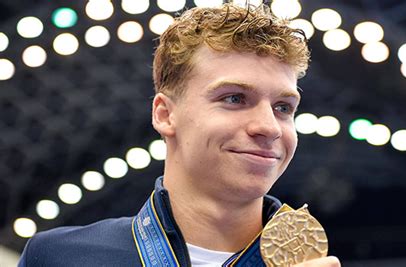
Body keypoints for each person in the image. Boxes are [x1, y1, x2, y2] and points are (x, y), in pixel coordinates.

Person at [19, 3, 340, 267]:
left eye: (283, 107)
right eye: (235, 99)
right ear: (165, 114)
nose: (269, 127)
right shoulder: (60, 258)